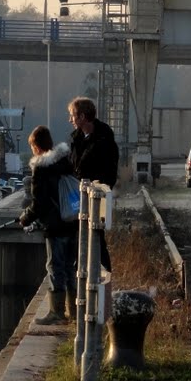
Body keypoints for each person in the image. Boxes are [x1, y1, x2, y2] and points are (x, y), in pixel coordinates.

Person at [19, 125, 78, 325]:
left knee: (54, 267)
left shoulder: (41, 169)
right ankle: (75, 311)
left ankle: (57, 312)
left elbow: (39, 204)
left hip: (55, 226)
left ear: (36, 146)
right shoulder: (66, 161)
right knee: (70, 268)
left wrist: (25, 218)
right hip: (72, 220)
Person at [67, 96, 119, 272]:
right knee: (78, 234)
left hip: (96, 196)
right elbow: (73, 165)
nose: (70, 120)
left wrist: (102, 188)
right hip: (78, 195)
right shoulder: (76, 138)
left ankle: (102, 275)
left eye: (72, 116)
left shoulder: (104, 137)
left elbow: (109, 168)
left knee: (96, 236)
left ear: (82, 117)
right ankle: (81, 271)